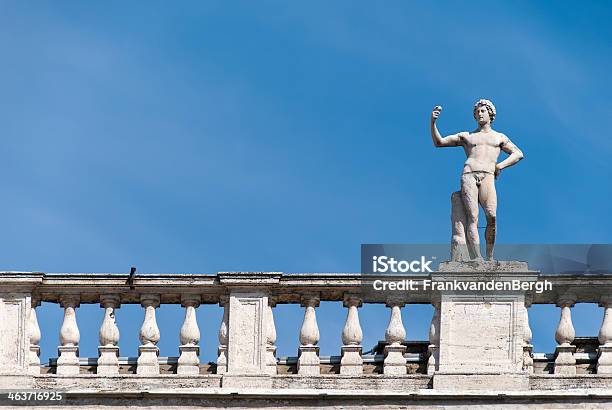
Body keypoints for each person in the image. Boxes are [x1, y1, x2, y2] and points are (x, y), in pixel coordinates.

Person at [430, 99, 524, 261]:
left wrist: (499, 166)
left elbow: (518, 154)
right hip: (469, 174)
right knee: (473, 217)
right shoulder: (467, 136)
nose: (479, 114)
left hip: (488, 175)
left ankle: (490, 256)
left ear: (490, 114)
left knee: (491, 216)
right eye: (477, 112)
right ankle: (477, 257)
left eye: (482, 111)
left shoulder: (499, 137)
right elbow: (439, 142)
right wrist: (433, 122)